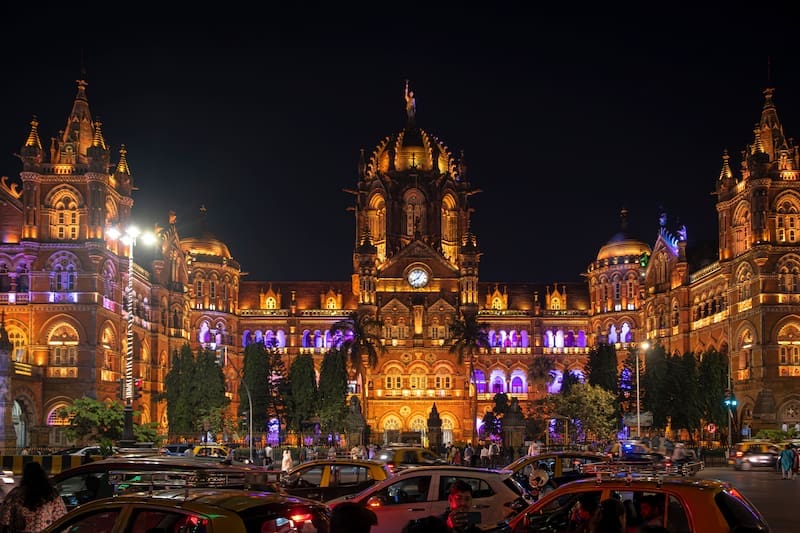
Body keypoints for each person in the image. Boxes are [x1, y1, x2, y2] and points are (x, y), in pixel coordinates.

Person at [0, 461, 68, 533]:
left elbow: (4, 519)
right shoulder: (51, 495)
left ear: (25, 476)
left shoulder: (15, 494)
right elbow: (62, 520)